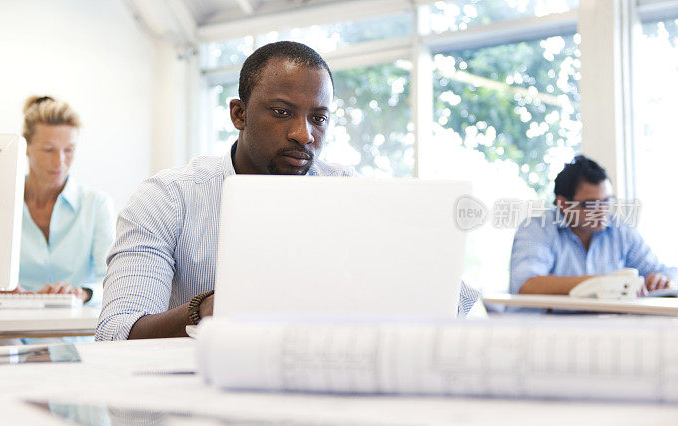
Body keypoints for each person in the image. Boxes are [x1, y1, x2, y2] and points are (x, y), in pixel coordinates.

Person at [96, 41, 477, 341]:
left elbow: (453, 302)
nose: (303, 134)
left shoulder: (349, 192)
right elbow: (116, 332)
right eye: (281, 112)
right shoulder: (167, 199)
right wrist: (211, 310)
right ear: (238, 114)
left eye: (319, 118)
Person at [509, 155, 676, 296]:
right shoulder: (537, 229)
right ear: (563, 204)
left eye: (607, 201)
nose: (602, 211)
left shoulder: (621, 232)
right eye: (591, 204)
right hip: (540, 327)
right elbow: (527, 283)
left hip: (605, 327)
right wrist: (605, 283)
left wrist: (663, 279)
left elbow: (666, 272)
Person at [5, 95, 115, 305]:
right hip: (13, 330)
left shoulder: (96, 204)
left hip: (74, 331)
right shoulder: (2, 203)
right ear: (25, 146)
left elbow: (113, 281)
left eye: (69, 150)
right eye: (48, 150)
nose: (60, 162)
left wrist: (83, 293)